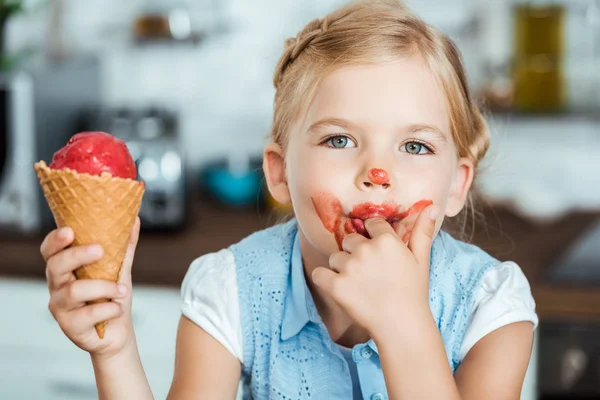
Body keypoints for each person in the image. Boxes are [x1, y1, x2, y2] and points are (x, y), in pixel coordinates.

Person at [40, 0, 538, 398]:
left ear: (457, 184)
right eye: (339, 140)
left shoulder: (490, 308)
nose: (376, 174)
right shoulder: (230, 291)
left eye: (415, 146)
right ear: (278, 174)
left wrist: (403, 320)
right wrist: (114, 350)